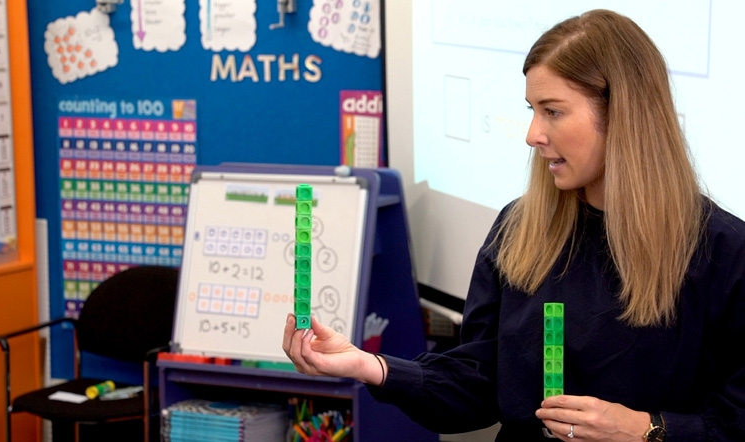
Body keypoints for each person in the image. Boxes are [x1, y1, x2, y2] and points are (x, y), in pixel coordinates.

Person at [282, 9, 745, 442]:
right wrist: (372, 367)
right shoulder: (520, 230)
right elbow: (479, 383)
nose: (533, 135)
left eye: (554, 111)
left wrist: (648, 430)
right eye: (532, 110)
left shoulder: (723, 251)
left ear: (622, 114)